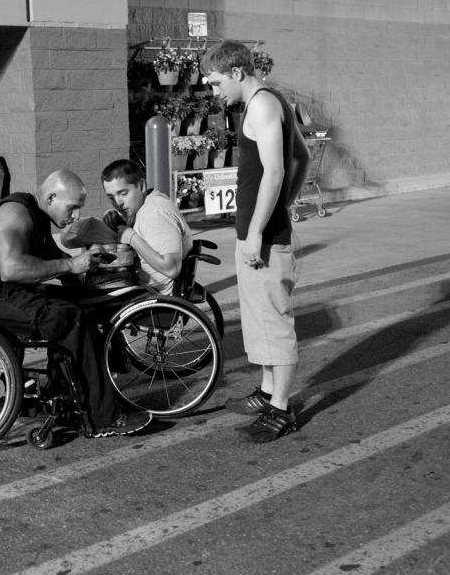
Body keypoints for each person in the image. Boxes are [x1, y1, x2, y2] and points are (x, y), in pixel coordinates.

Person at [0, 169, 153, 438]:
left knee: (84, 308)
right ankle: (102, 418)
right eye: (73, 207)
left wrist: (90, 272)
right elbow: (11, 268)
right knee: (68, 319)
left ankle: (66, 401)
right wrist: (71, 264)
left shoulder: (39, 217)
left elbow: (60, 268)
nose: (76, 216)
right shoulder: (16, 212)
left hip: (4, 291)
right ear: (51, 197)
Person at [200, 40, 311, 442]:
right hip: (258, 231)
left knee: (274, 323)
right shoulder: (271, 99)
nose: (215, 92)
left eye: (215, 83)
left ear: (236, 72)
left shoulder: (263, 104)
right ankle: (267, 393)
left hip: (262, 237)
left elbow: (277, 170)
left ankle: (281, 409)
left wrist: (259, 230)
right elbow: (303, 158)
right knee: (261, 320)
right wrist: (281, 207)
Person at [99, 159, 193, 295]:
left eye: (123, 193)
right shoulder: (144, 207)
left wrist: (132, 237)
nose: (118, 203)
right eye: (111, 197)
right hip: (142, 288)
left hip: (152, 298)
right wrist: (116, 219)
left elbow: (171, 268)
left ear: (142, 186)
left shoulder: (155, 212)